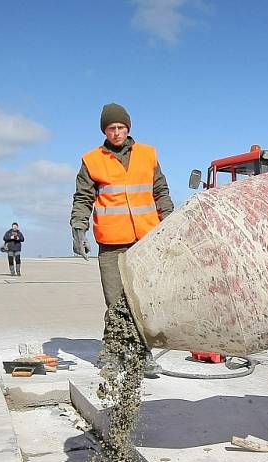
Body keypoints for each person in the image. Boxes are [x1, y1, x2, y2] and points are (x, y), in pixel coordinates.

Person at [70, 103, 174, 375]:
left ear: (128, 127)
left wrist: (170, 222)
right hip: (111, 243)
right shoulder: (92, 160)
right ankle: (113, 354)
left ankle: (143, 355)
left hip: (146, 241)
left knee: (146, 301)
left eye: (120, 127)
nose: (116, 132)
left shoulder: (147, 155)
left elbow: (160, 191)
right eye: (110, 128)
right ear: (104, 130)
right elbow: (83, 198)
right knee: (115, 301)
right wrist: (78, 228)